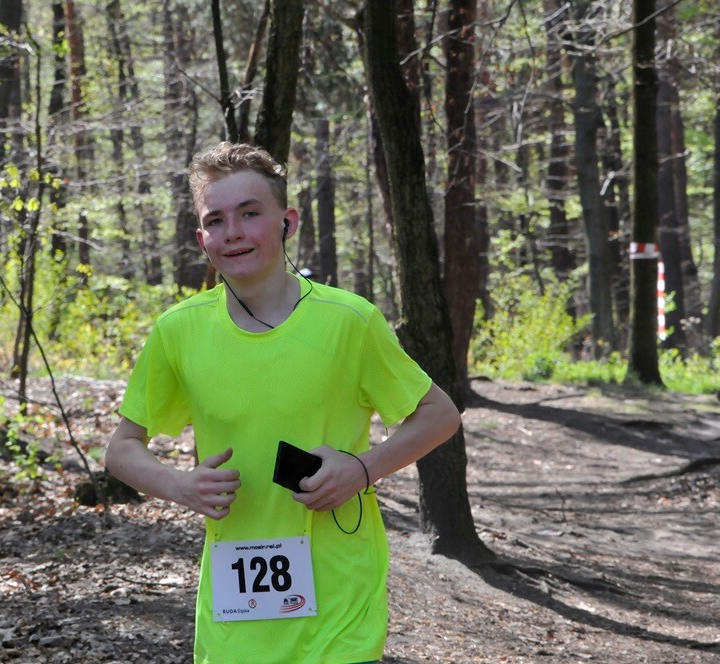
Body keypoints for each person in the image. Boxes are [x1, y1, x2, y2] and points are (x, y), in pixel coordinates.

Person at [105, 142, 461, 664]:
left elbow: (440, 415)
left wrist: (361, 470)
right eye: (217, 220)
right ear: (201, 238)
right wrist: (179, 485)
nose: (234, 232)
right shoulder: (178, 331)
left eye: (251, 214)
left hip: (340, 595)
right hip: (236, 611)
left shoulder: (348, 321)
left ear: (286, 221)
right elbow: (122, 449)